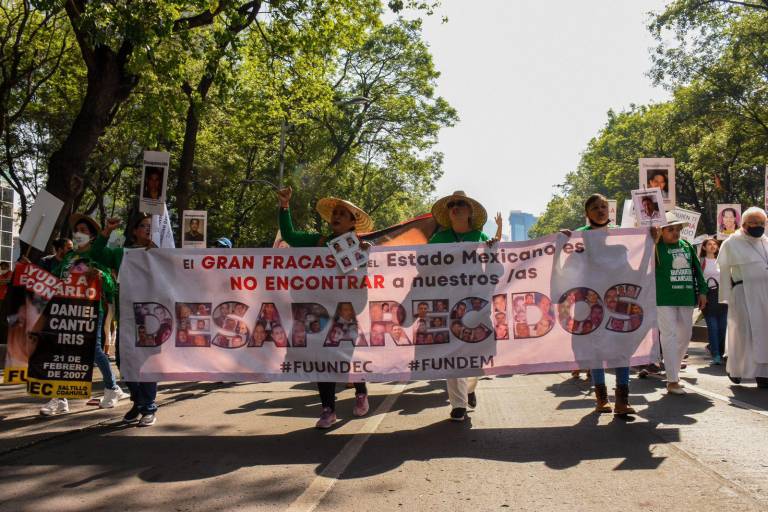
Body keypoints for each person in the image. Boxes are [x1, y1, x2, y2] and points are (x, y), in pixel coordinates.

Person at [277, 186, 374, 428]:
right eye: (335, 212)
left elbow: (365, 282)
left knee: (347, 357)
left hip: (346, 313)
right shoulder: (318, 241)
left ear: (353, 222)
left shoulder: (361, 247)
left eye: (343, 213)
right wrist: (284, 206)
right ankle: (328, 410)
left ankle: (360, 391)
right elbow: (289, 235)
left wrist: (367, 257)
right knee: (322, 359)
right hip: (318, 312)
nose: (337, 216)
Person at [39, 214, 129, 417]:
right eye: (77, 230)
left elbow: (110, 284)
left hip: (89, 310)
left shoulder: (99, 255)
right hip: (65, 311)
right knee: (61, 353)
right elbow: (54, 280)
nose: (79, 233)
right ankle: (59, 398)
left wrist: (100, 275)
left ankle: (112, 387)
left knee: (93, 350)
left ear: (93, 235)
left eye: (84, 230)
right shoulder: (69, 257)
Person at [429, 190, 501, 421]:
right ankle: (458, 404)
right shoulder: (438, 240)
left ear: (470, 212)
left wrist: (493, 250)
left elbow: (495, 270)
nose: (455, 207)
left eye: (461, 204)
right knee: (453, 353)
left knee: (477, 355)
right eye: (452, 205)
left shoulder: (481, 238)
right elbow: (422, 265)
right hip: (449, 304)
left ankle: (469, 388)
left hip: (476, 306)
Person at [563, 194, 636, 415]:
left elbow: (632, 268)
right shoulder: (578, 238)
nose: (601, 210)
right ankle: (601, 399)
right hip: (590, 303)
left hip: (618, 301)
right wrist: (562, 243)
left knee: (623, 349)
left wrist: (652, 239)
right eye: (595, 207)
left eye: (604, 206)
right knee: (596, 351)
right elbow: (568, 271)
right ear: (587, 213)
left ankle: (622, 401)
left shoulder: (622, 236)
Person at [92, 213, 160, 426]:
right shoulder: (122, 253)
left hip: (151, 318)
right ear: (134, 231)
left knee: (146, 365)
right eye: (143, 226)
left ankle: (148, 407)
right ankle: (138, 402)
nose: (147, 229)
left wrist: (158, 252)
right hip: (128, 319)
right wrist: (107, 231)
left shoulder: (162, 254)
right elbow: (96, 254)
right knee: (125, 362)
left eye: (151, 226)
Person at [653, 211, 707, 395]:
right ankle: (672, 380)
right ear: (661, 231)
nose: (675, 233)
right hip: (663, 298)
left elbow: (697, 270)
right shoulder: (655, 247)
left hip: (686, 297)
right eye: (670, 229)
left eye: (678, 229)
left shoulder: (686, 245)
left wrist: (703, 291)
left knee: (685, 335)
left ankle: (673, 372)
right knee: (669, 336)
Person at [717, 207, 768, 388]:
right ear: (744, 224)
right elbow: (724, 271)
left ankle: (764, 374)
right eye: (754, 223)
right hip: (743, 293)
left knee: (765, 333)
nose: (758, 226)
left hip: (765, 295)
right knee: (744, 333)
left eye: (761, 223)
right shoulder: (732, 243)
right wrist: (725, 296)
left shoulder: (766, 241)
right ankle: (736, 369)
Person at [699, 238, 727, 365]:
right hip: (708, 297)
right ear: (704, 247)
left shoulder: (722, 260)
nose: (712, 246)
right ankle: (716, 354)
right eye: (709, 244)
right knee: (713, 327)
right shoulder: (701, 262)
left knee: (723, 327)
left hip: (723, 297)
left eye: (714, 244)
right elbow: (698, 280)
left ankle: (714, 347)